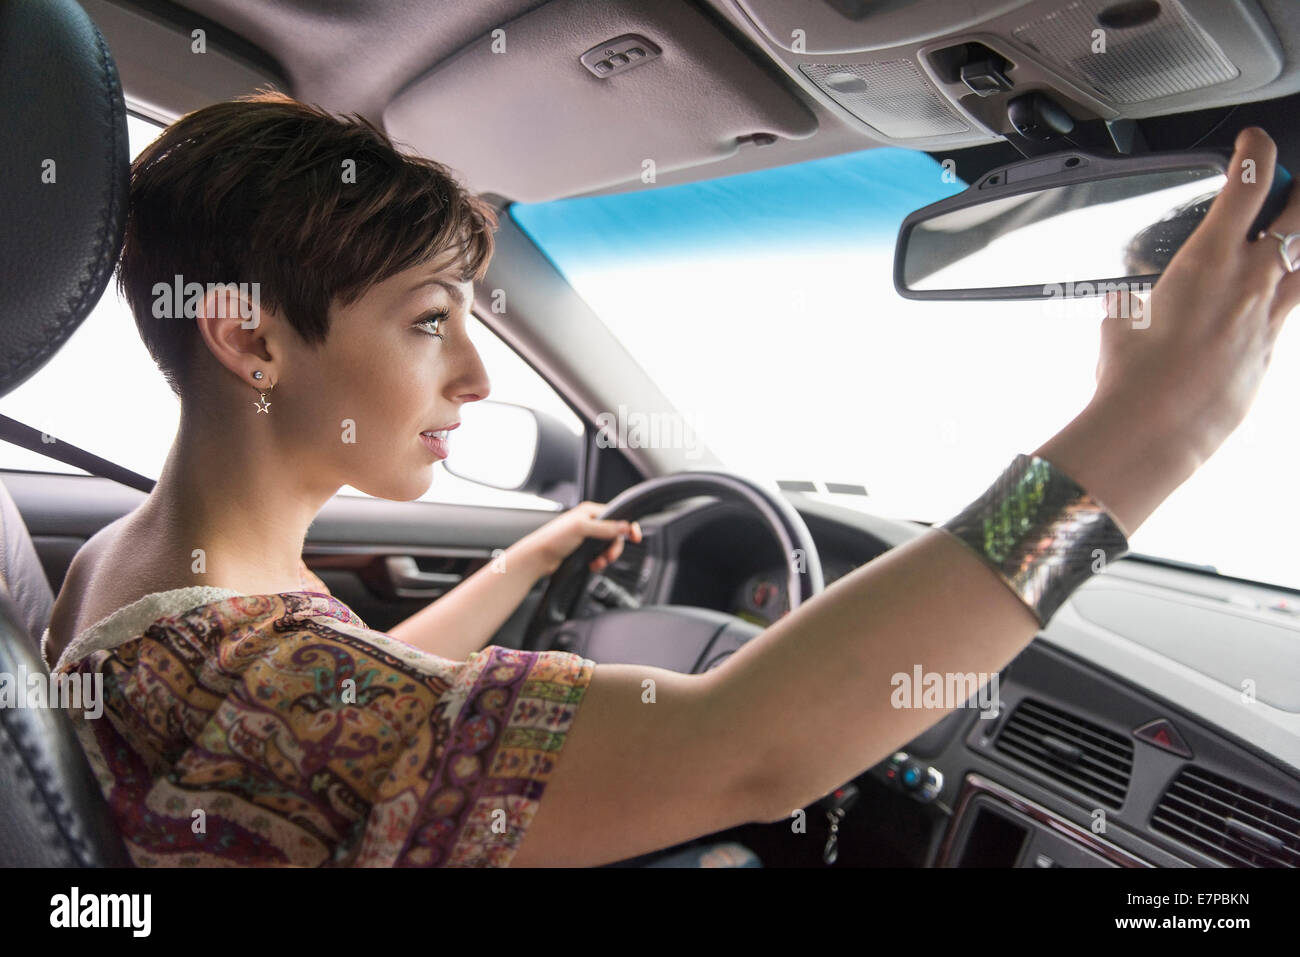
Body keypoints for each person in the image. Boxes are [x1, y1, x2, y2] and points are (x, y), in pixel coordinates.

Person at [43, 90, 1300, 867]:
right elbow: (747, 748)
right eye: (431, 320)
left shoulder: (147, 578)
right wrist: (1146, 437)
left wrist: (532, 561)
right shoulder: (267, 681)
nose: (477, 380)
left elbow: (369, 719)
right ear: (251, 338)